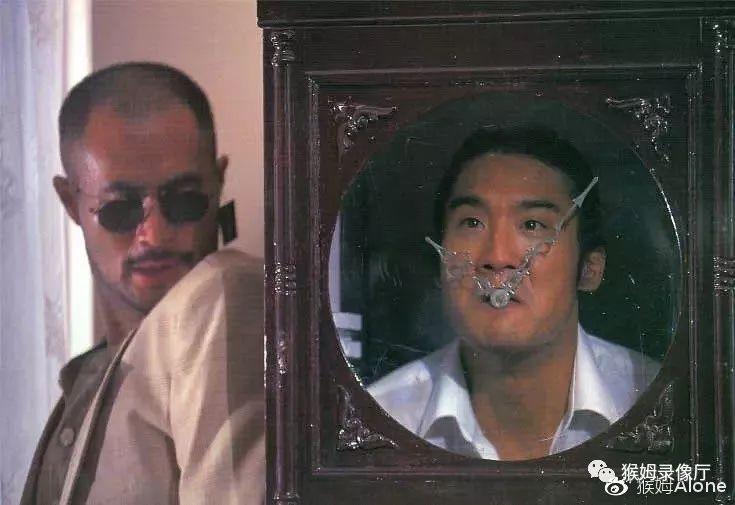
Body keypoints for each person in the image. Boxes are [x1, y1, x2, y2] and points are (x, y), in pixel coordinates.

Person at [20, 62, 264, 504]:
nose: (154, 234)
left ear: (217, 184)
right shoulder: (91, 372)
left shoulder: (222, 294)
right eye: (121, 208)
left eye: (185, 200)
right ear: (71, 202)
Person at [369, 126, 660, 461]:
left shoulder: (658, 400)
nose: (497, 257)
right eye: (472, 223)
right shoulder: (383, 418)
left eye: (532, 225)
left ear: (589, 269)